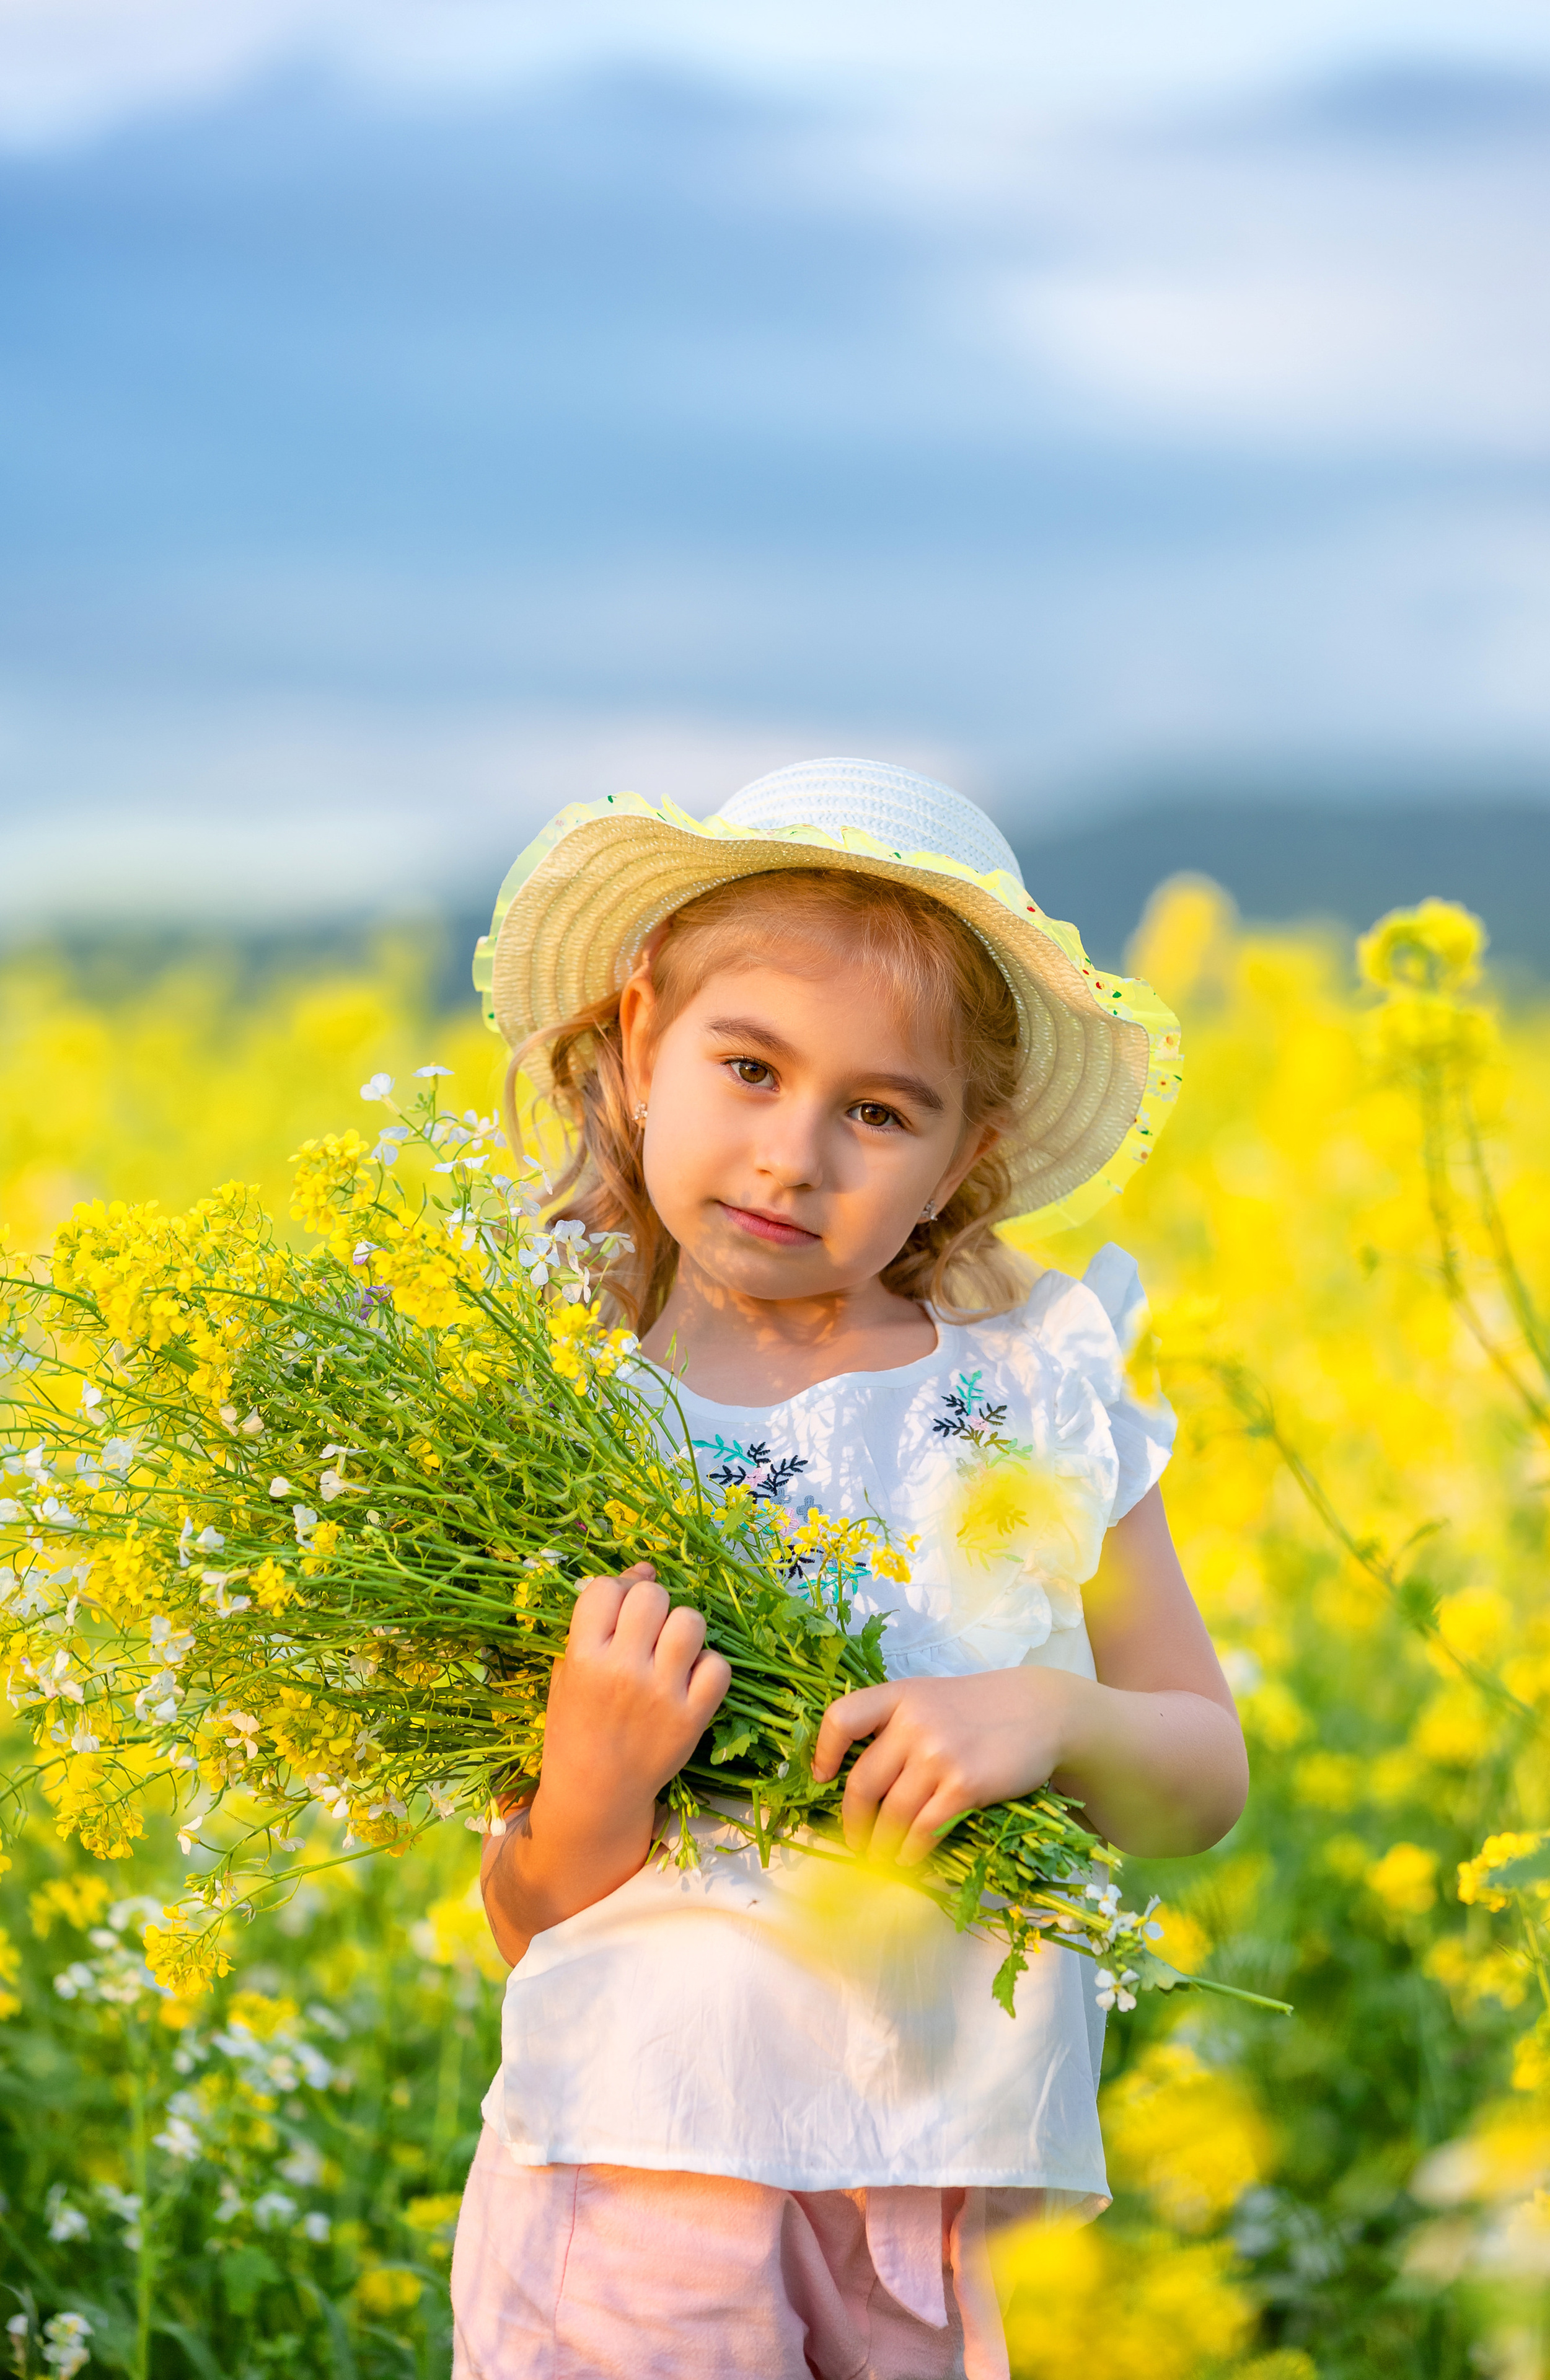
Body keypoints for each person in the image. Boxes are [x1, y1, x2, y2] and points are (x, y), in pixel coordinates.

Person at [453, 758, 1248, 2380]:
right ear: (636, 1044)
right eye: (747, 1068)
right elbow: (526, 1915)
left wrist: (1049, 1716)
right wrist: (597, 1780)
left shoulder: (1039, 1386)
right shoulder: (557, 1420)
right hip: (642, 2153)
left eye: (876, 1112)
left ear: (966, 1152)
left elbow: (1206, 1774)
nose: (793, 1156)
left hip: (945, 2180)